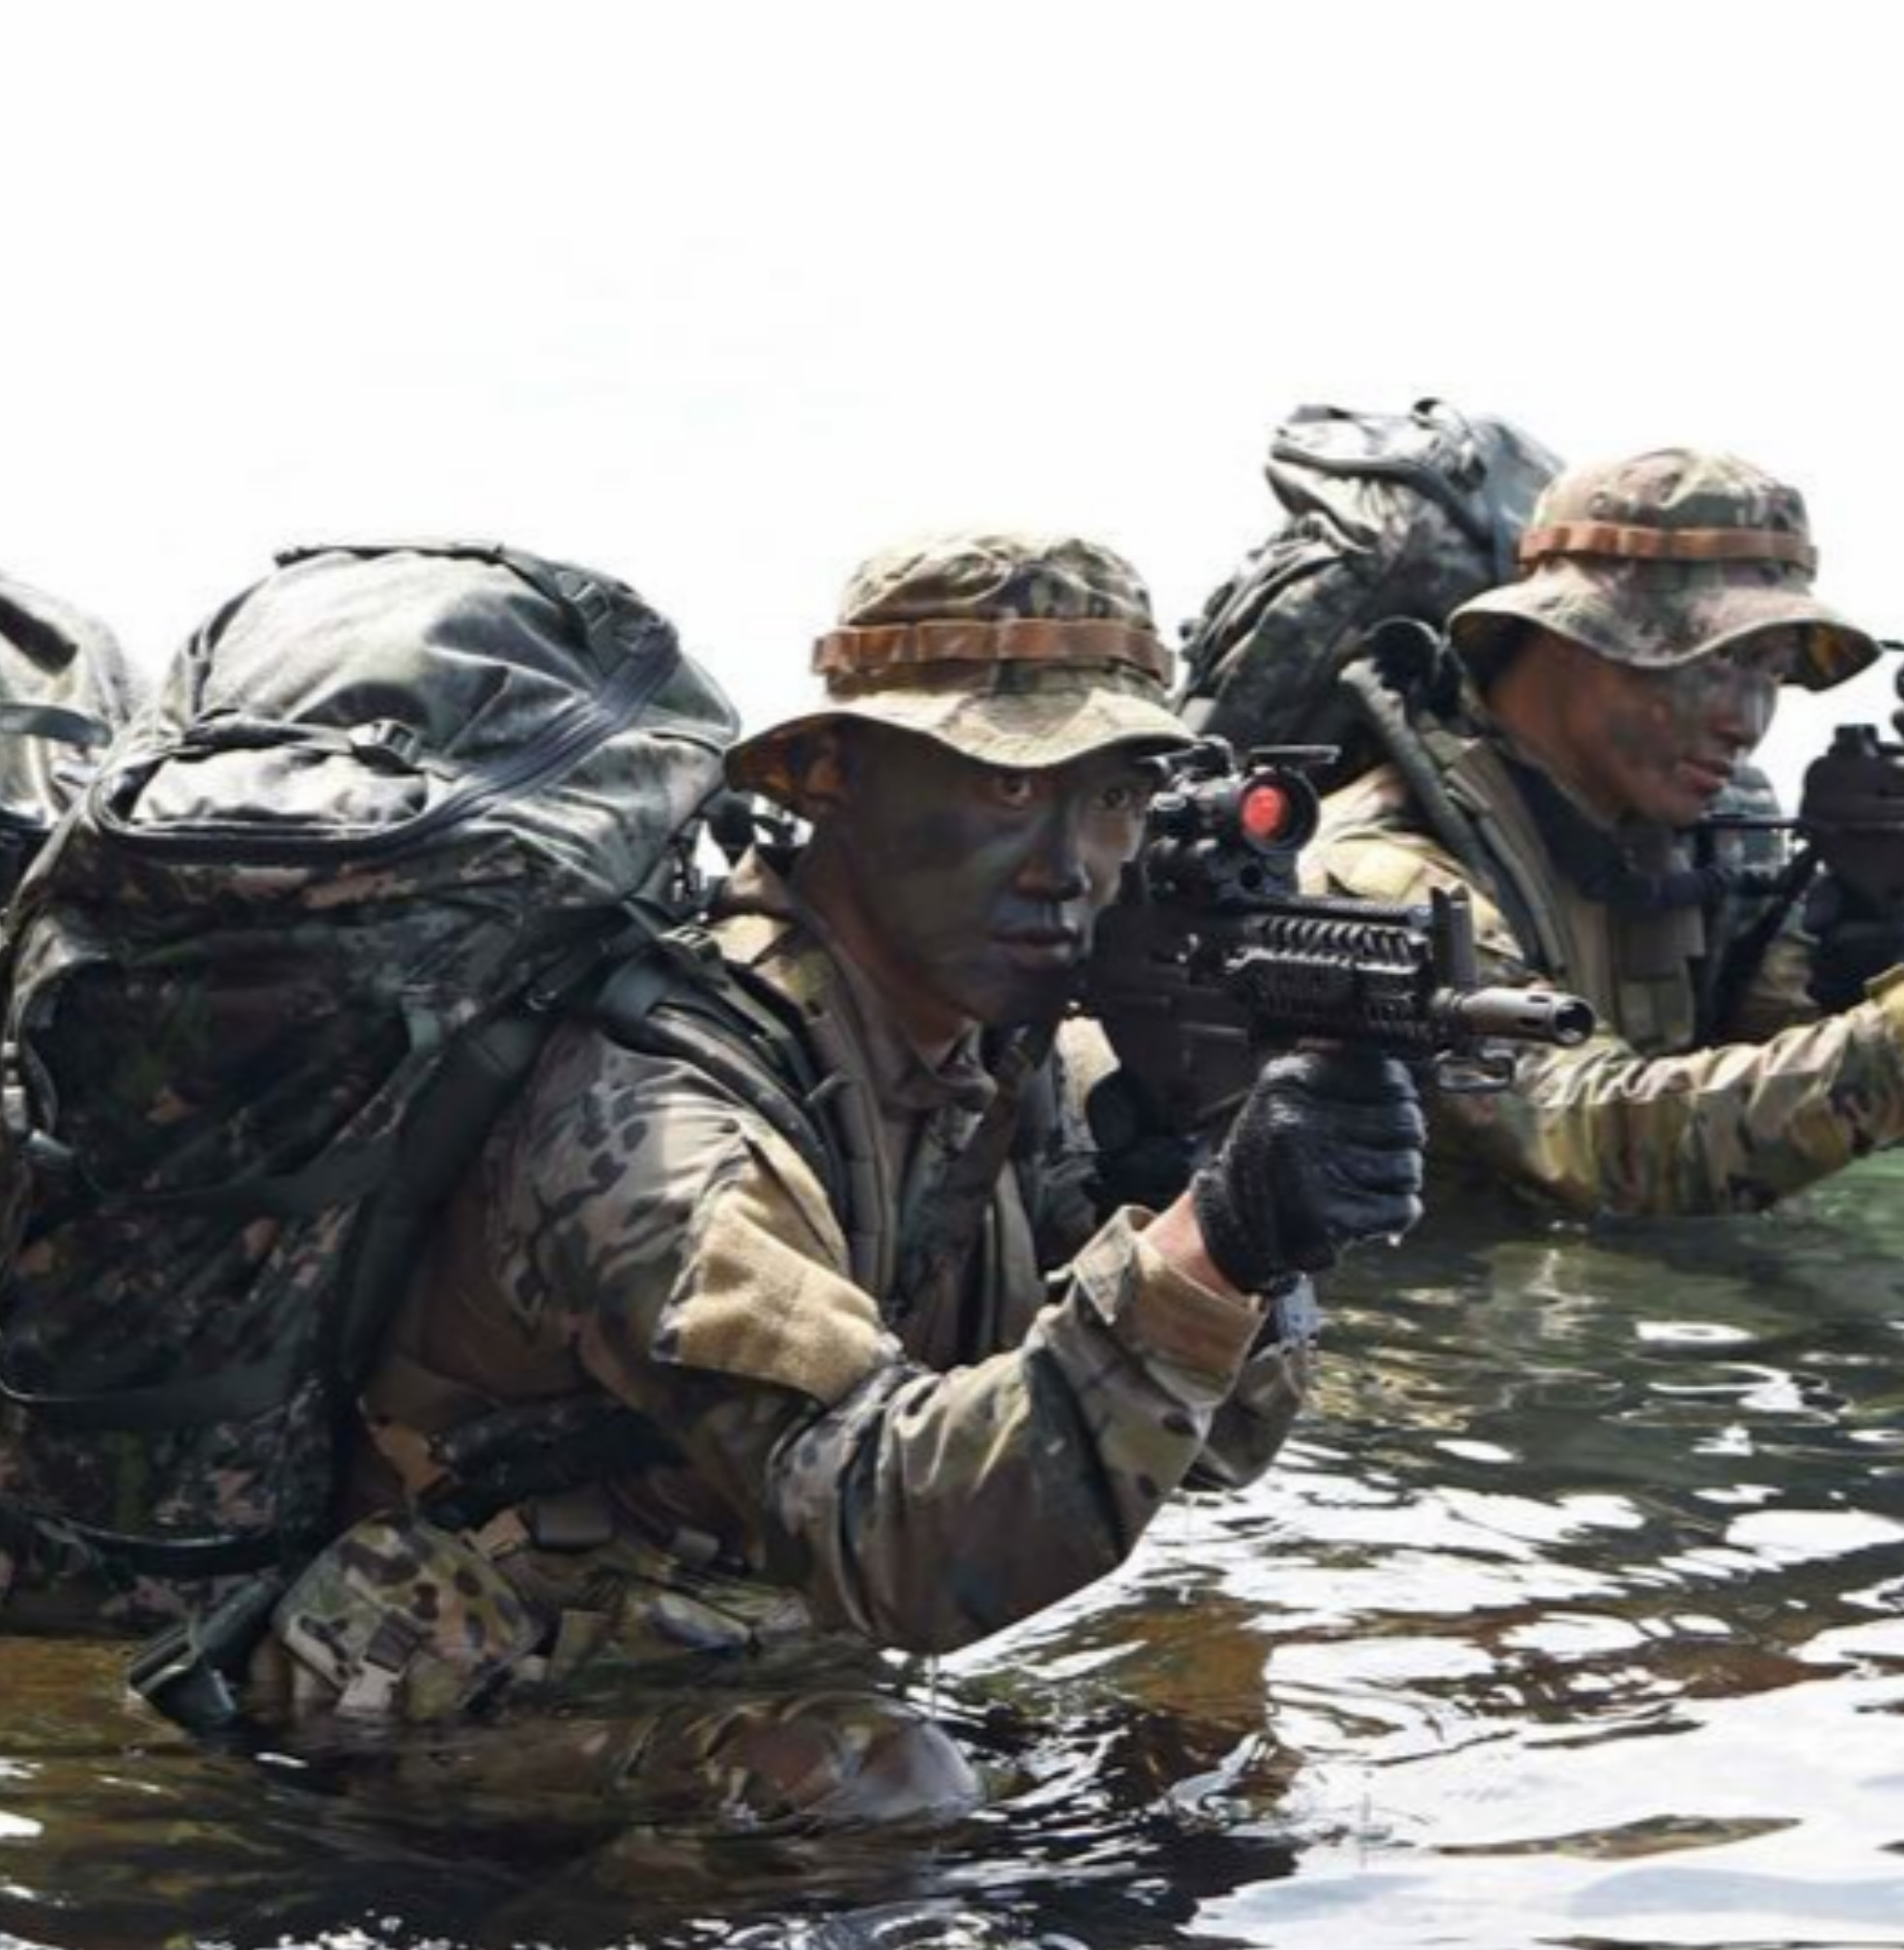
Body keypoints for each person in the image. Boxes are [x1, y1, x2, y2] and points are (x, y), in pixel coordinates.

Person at [236, 531, 1426, 1825]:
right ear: (829, 780)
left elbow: (1212, 1454)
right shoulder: (661, 1110)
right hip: (439, 1693)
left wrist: (1214, 1169)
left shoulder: (1001, 1063)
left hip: (736, 1645)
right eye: (1008, 787)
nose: (1069, 866)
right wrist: (1214, 1242)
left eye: (1113, 797)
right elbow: (893, 1547)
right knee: (878, 1788)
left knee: (1206, 1746)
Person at [1302, 447, 1904, 1217]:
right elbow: (1593, 1147)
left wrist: (1875, 964)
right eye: (1719, 661)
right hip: (1421, 1318)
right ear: (1573, 638)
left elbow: (1826, 1142)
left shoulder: (1700, 834)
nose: (1745, 721)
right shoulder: (1388, 872)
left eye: (1772, 673)